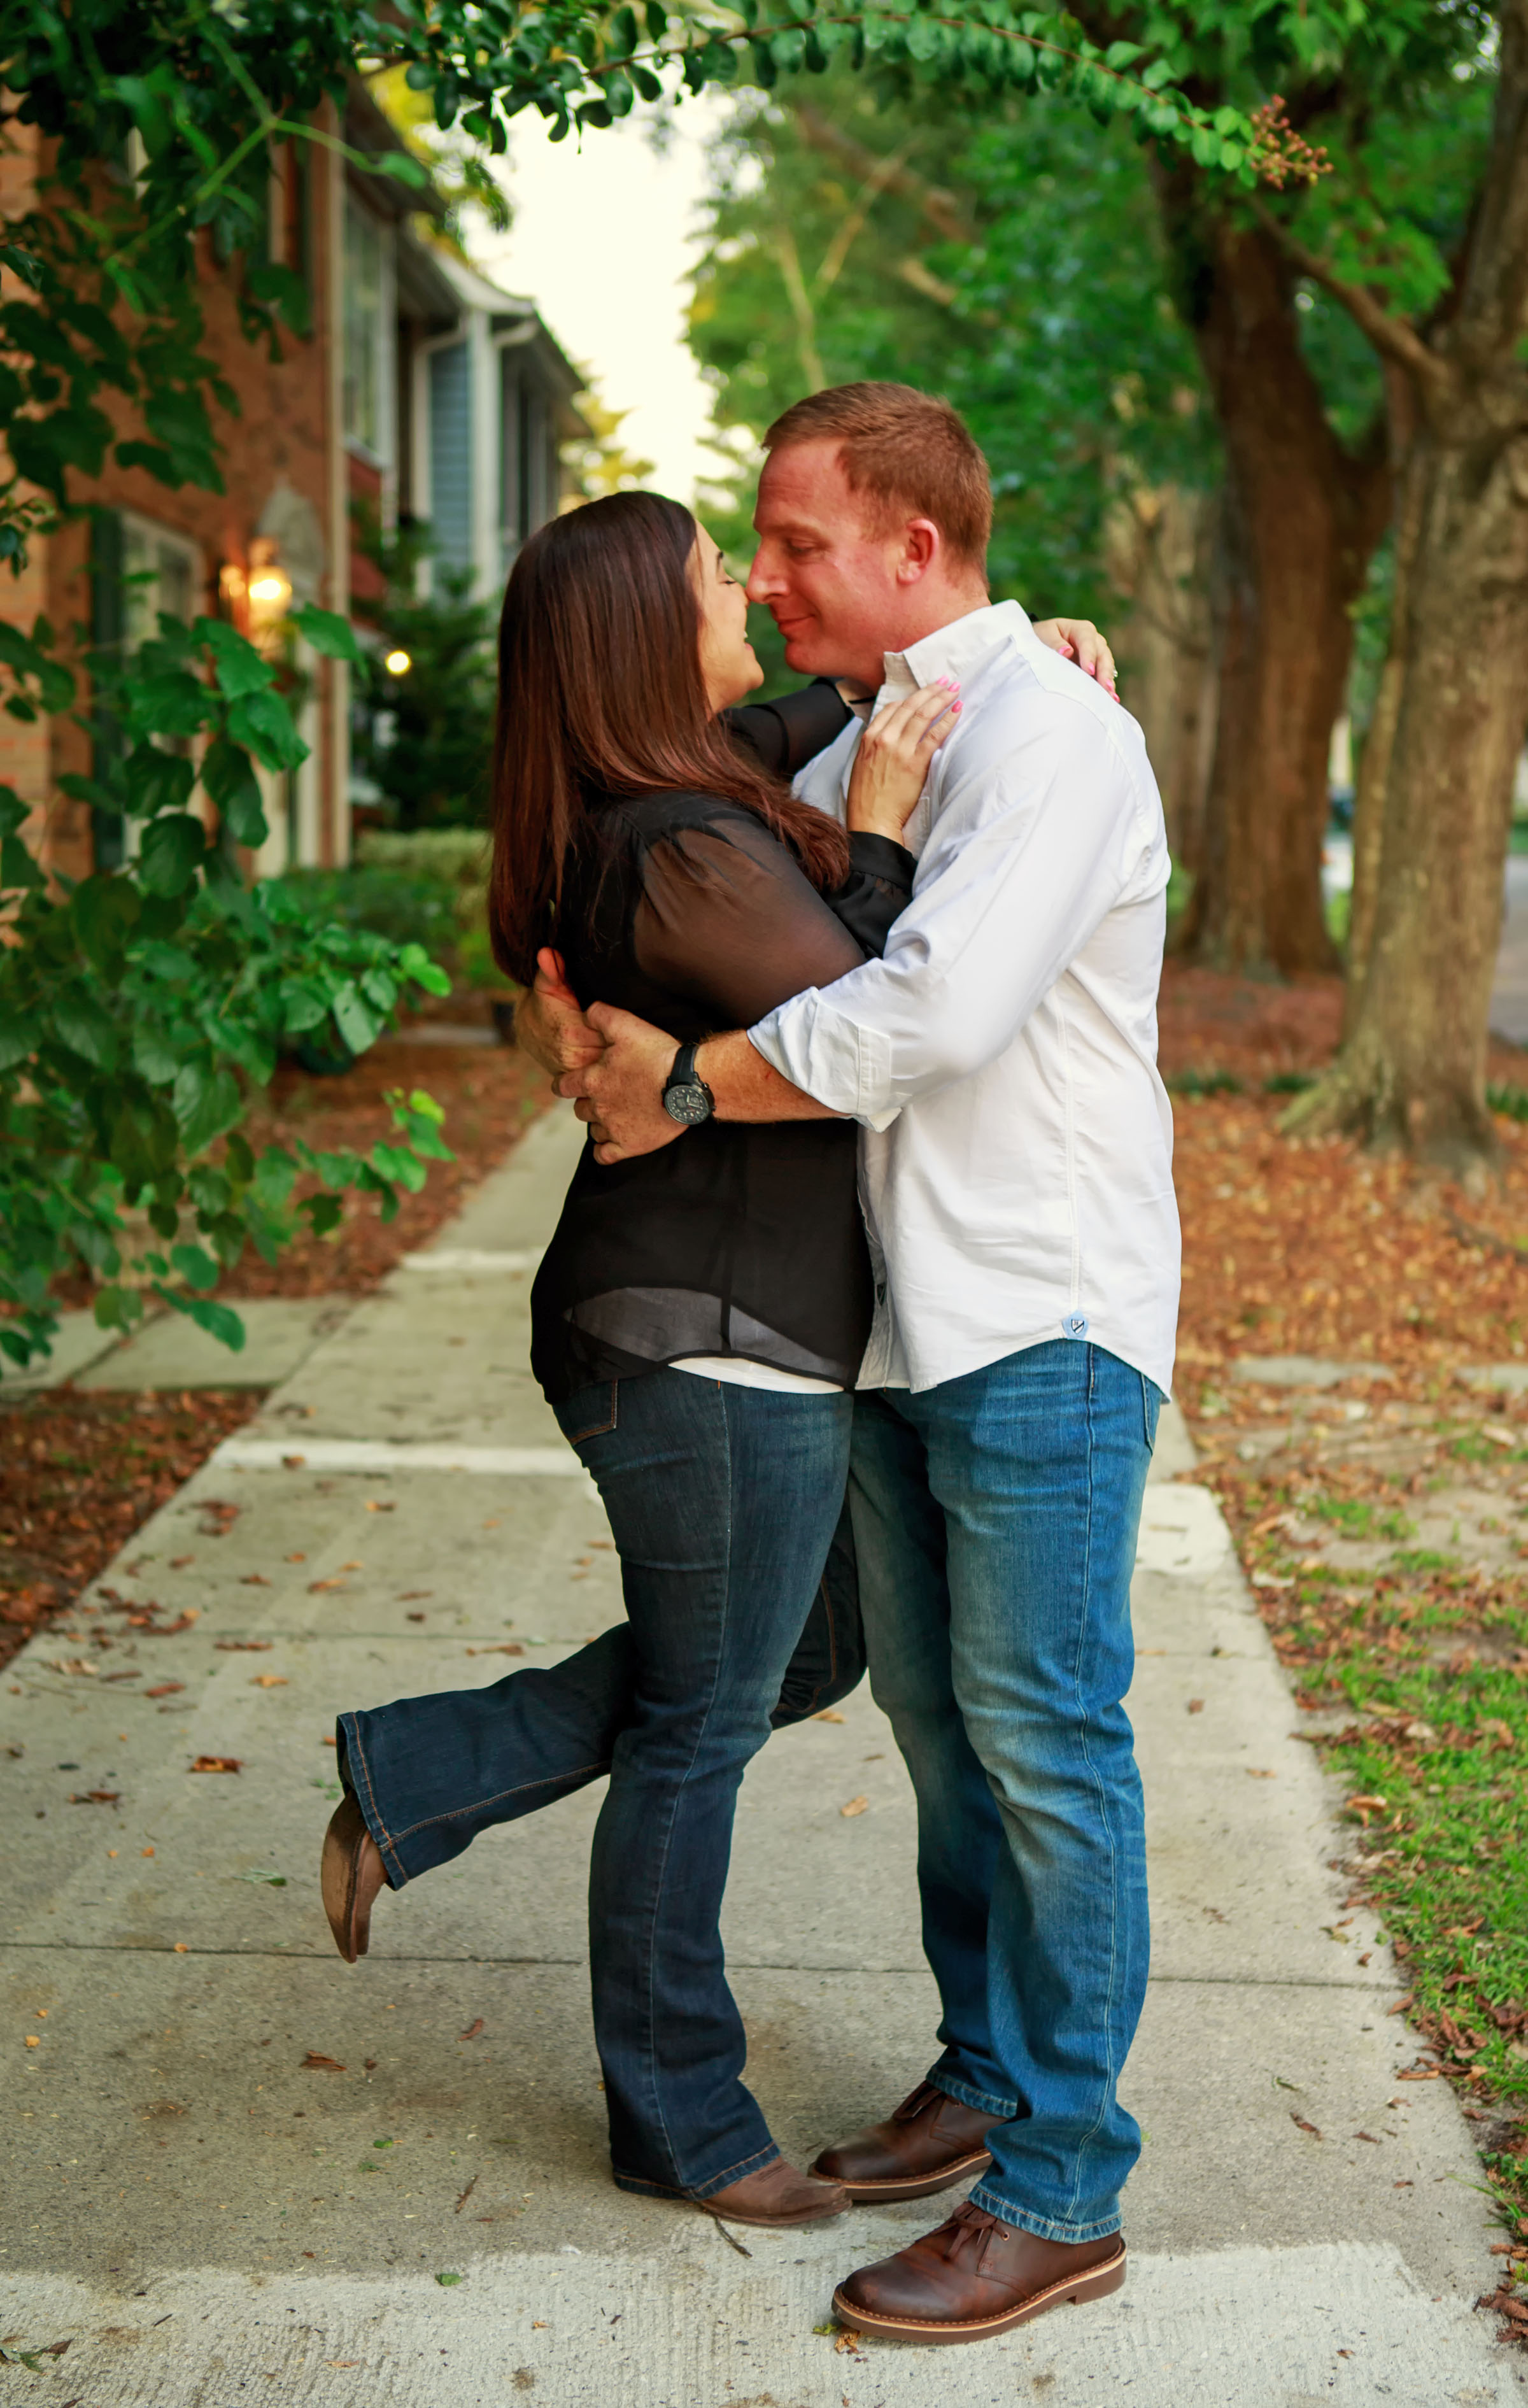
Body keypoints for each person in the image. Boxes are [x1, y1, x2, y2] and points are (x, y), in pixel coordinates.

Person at [322, 487, 1110, 2233]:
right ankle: (678, 2112)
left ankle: (424, 1774)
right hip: (703, 1341)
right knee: (701, 1725)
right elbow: (860, 1013)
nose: (747, 584)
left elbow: (803, 698)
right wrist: (891, 824)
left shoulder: (678, 795)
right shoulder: (673, 843)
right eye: (711, 575)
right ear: (639, 641)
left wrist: (1011, 651)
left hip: (715, 1332)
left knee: (796, 1654)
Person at [540, 383, 1180, 2344]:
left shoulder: (1055, 735)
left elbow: (930, 1016)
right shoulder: (898, 719)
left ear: (917, 550)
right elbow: (685, 781)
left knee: (1051, 1743)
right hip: (909, 1321)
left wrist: (682, 1085)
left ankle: (1064, 2182)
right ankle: (986, 2079)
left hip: (1042, 1315)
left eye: (800, 541)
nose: (767, 573)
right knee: (945, 1736)